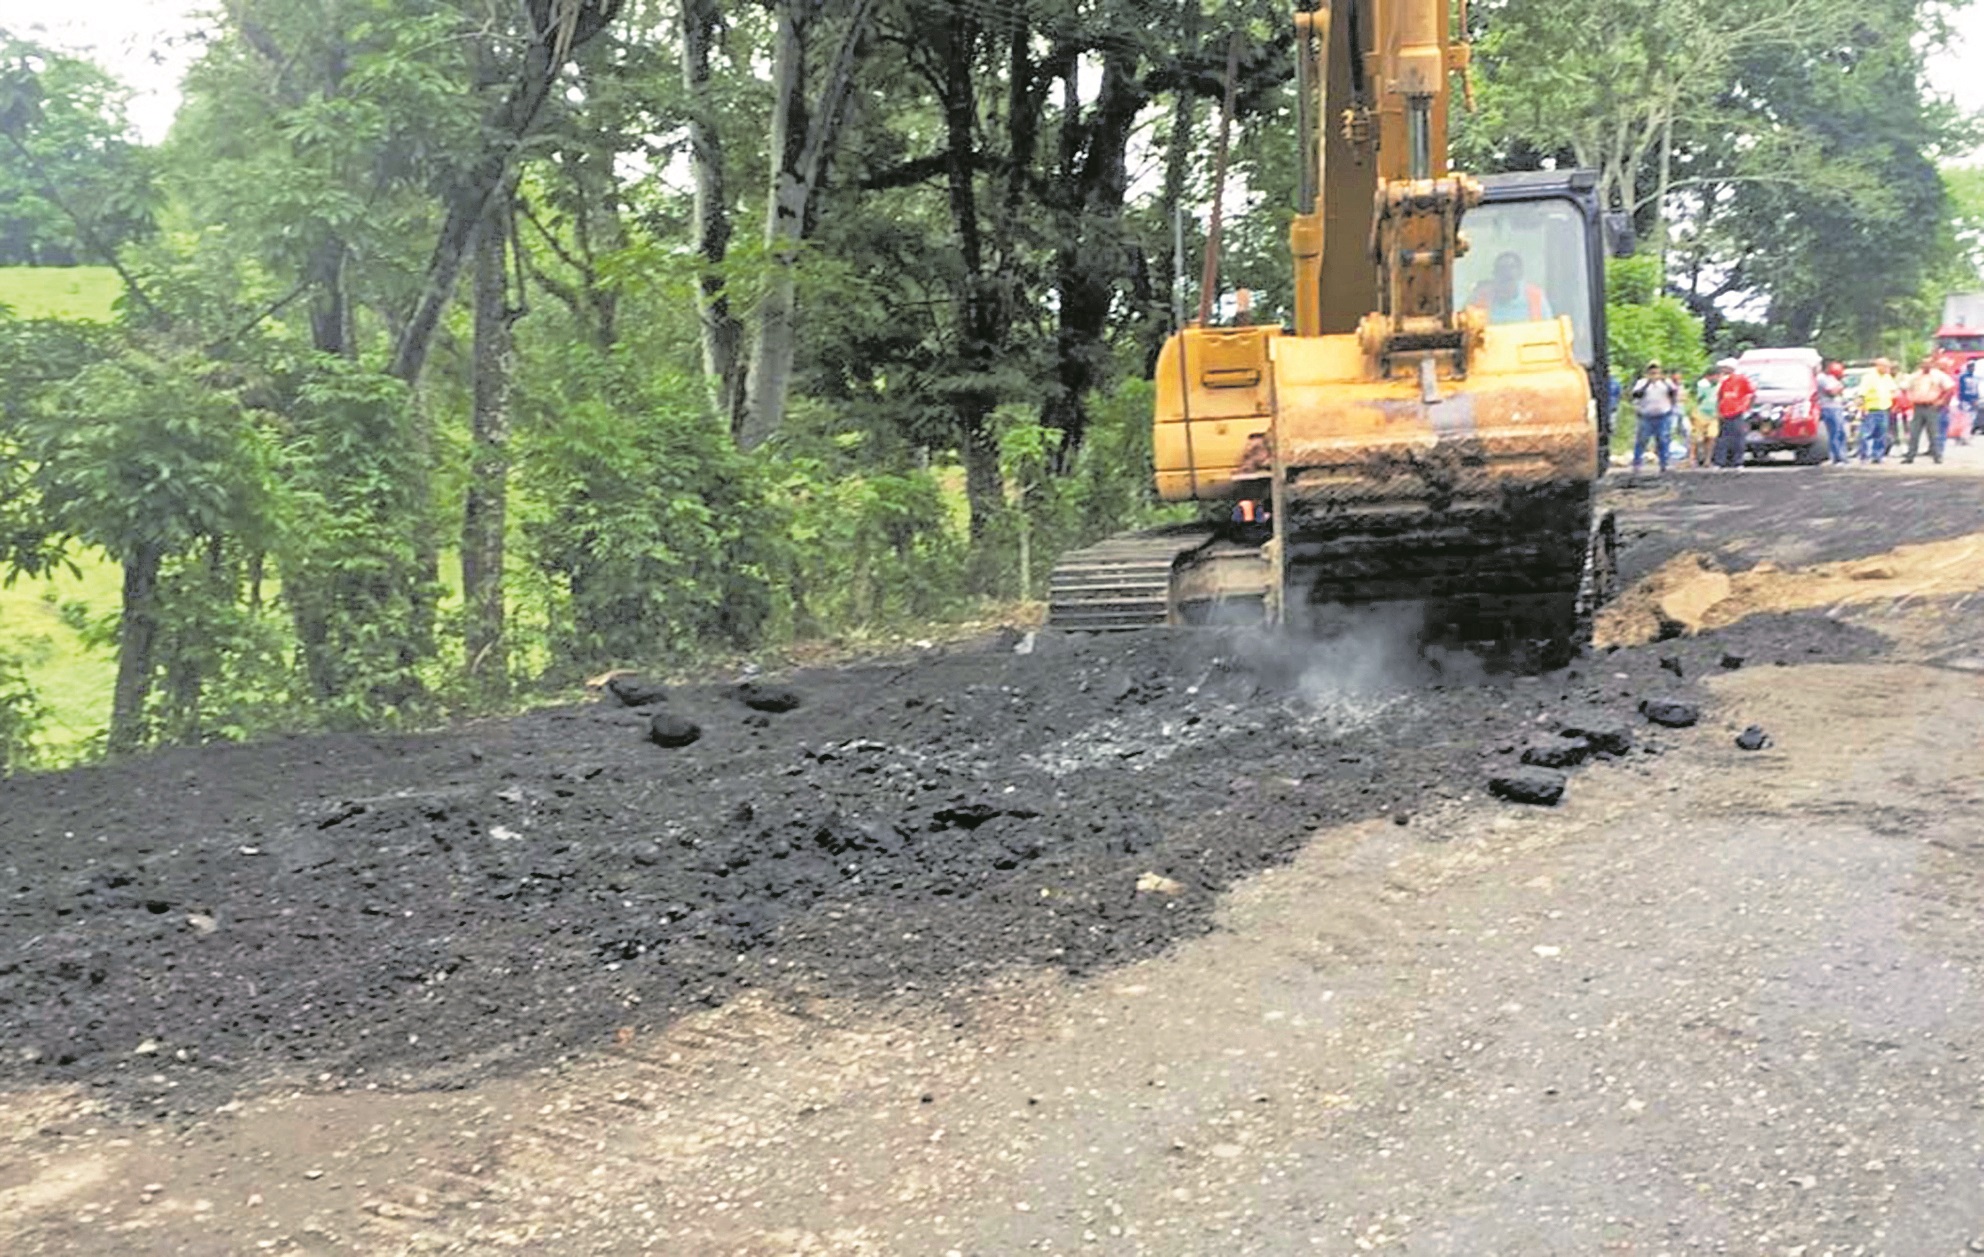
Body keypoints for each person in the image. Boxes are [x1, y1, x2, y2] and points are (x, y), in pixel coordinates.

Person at [1466, 251, 1553, 324]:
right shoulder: (1479, 299)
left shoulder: (1535, 298)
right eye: (1503, 281)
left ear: (1520, 275)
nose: (1506, 286)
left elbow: (1549, 331)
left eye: (1509, 280)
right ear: (1494, 275)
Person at [1901, 354, 1956, 465]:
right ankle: (1910, 455)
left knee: (1934, 433)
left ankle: (1937, 456)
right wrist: (1909, 398)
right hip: (1918, 407)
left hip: (1932, 407)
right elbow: (1903, 387)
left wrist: (1942, 401)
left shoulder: (1939, 376)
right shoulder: (1915, 376)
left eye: (1928, 363)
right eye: (1923, 363)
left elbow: (1950, 388)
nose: (1925, 365)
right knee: (1914, 432)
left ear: (1932, 364)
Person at [1628, 360, 1681, 476]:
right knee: (1641, 440)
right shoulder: (1642, 383)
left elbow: (1674, 393)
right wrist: (1648, 383)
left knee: (1663, 439)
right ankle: (1637, 464)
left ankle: (1664, 464)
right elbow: (1636, 395)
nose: (1654, 375)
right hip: (1646, 416)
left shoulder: (1666, 383)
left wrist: (1665, 382)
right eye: (1652, 372)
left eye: (1656, 372)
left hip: (1663, 415)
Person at [1712, 359, 1755, 469]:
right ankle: (1720, 461)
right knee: (1723, 438)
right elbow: (1719, 397)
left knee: (1738, 437)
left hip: (1737, 412)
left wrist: (1746, 407)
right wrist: (1719, 411)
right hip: (1725, 413)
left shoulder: (1741, 379)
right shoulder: (1724, 381)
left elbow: (1751, 394)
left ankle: (1738, 462)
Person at [1856, 358, 1898, 463]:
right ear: (1878, 366)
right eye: (1886, 366)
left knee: (1881, 434)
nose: (1888, 369)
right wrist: (1862, 408)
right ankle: (1864, 456)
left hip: (1884, 409)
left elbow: (1893, 390)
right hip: (1871, 409)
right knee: (1866, 434)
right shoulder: (1869, 377)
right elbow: (1861, 394)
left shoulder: (1887, 377)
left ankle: (1877, 456)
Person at [1691, 365, 1723, 466]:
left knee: (1711, 436)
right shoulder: (1702, 385)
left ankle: (1707, 459)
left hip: (1713, 414)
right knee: (1697, 438)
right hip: (1701, 413)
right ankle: (1693, 458)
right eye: (1716, 376)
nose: (1718, 378)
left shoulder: (1720, 385)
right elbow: (1698, 399)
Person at [1818, 360, 1849, 465]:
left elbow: (1841, 391)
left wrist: (1840, 383)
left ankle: (1843, 456)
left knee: (1841, 432)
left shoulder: (1832, 378)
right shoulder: (1821, 378)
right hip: (1828, 407)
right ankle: (1837, 457)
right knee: (1835, 432)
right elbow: (1832, 392)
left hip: (1838, 407)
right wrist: (1840, 385)